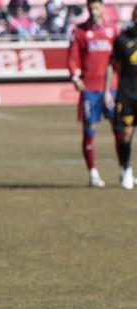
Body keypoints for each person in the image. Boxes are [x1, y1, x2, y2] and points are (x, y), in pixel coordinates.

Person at [69, 0, 121, 188]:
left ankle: (124, 171)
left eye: (97, 6)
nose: (93, 9)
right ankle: (93, 173)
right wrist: (75, 76)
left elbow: (119, 58)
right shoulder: (80, 32)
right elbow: (73, 58)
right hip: (90, 89)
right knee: (89, 130)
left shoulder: (112, 31)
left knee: (119, 130)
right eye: (90, 6)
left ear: (102, 8)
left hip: (112, 88)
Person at [106, 4, 137, 189]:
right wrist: (108, 90)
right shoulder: (122, 39)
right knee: (125, 135)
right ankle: (125, 169)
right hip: (127, 96)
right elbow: (112, 65)